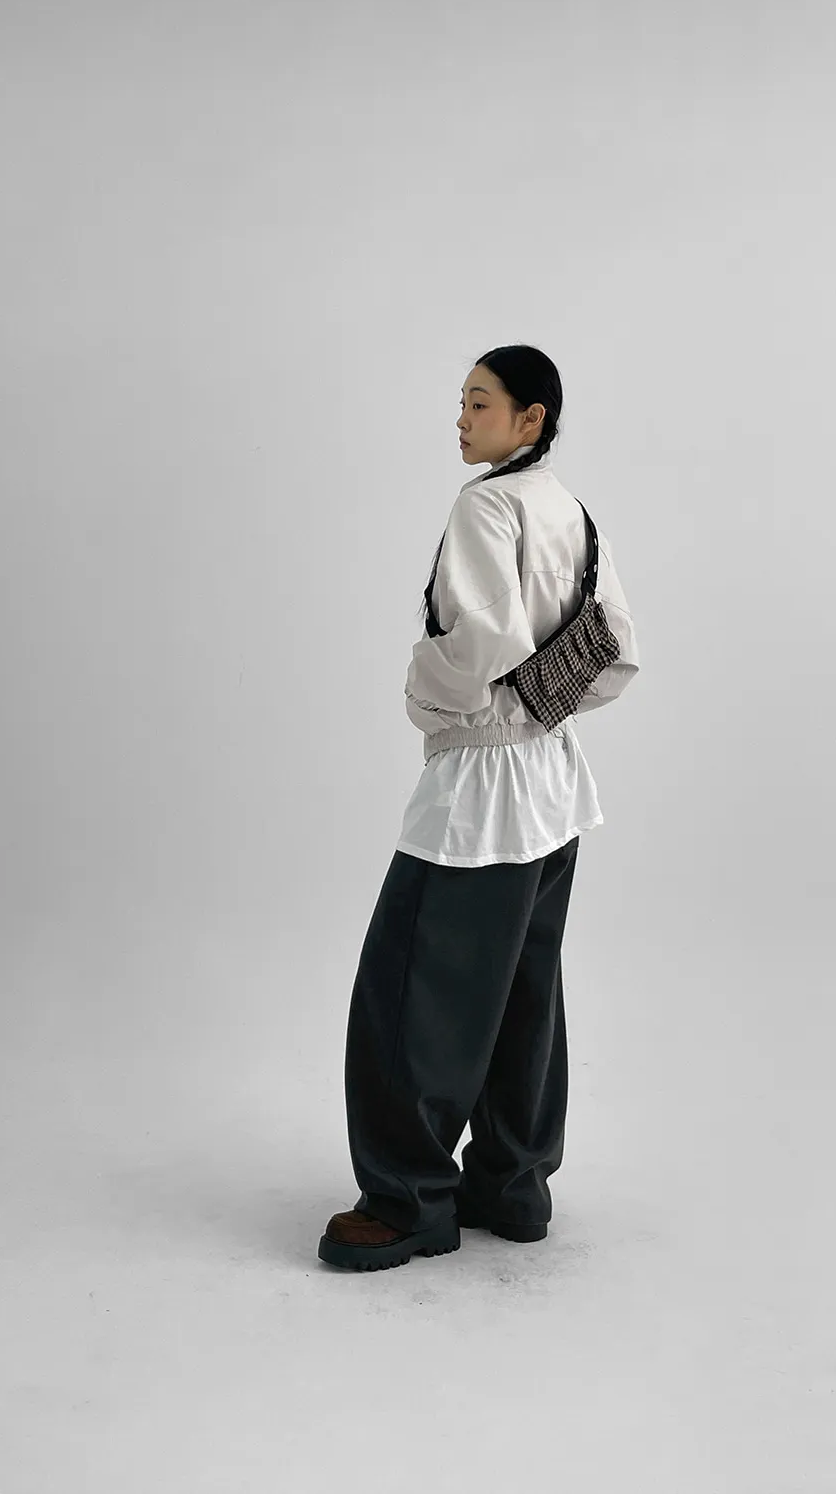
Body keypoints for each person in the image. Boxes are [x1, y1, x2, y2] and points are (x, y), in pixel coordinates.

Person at [318, 344, 640, 1271]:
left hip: (482, 792)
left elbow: (480, 644)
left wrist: (424, 692)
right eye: (461, 402)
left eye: (480, 403)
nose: (461, 419)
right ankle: (512, 1184)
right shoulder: (570, 510)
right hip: (553, 784)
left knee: (412, 994)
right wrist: (538, 708)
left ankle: (408, 1200)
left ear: (531, 419)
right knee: (522, 993)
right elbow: (617, 648)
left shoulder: (486, 506)